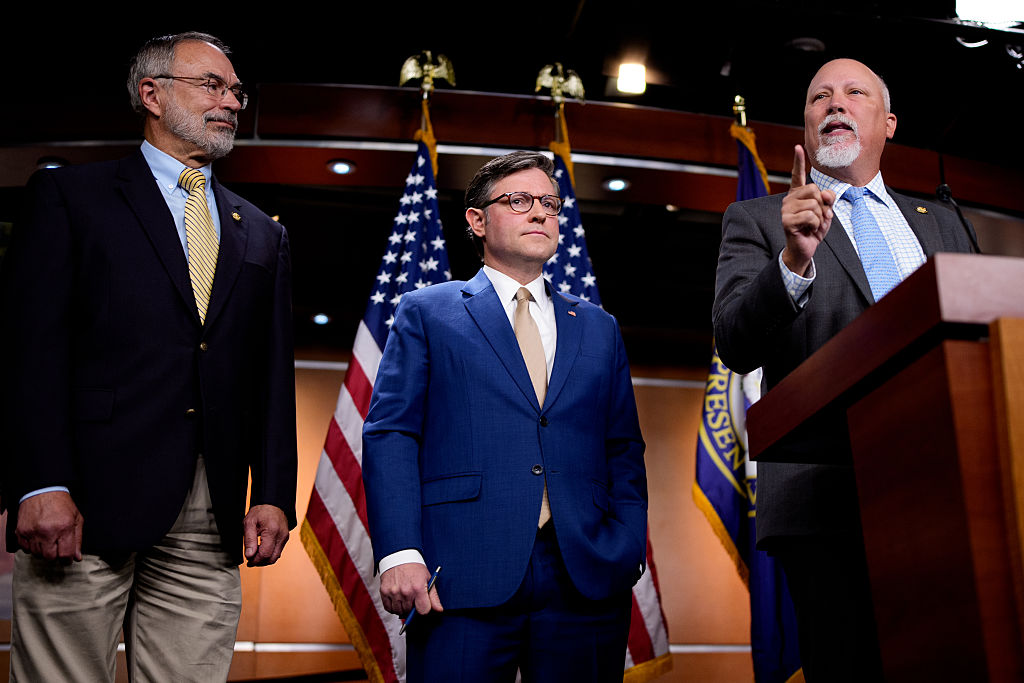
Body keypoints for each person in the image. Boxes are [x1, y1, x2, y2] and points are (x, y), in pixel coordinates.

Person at [0, 32, 297, 681]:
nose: (231, 102)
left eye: (237, 91)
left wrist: (273, 491)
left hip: (208, 505)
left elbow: (270, 373)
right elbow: (31, 349)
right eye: (212, 85)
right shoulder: (71, 198)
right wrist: (40, 480)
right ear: (152, 93)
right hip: (82, 497)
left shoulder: (262, 231)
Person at [713, 58, 978, 681]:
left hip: (951, 487)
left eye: (854, 93)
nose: (835, 103)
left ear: (887, 123)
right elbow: (735, 342)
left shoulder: (942, 220)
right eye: (819, 97)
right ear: (806, 128)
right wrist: (792, 263)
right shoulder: (758, 219)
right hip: (826, 499)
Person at [362, 151, 647, 682]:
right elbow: (392, 433)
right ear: (476, 219)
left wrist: (627, 542)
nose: (539, 213)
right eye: (519, 201)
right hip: (459, 573)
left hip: (586, 575)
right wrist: (398, 550)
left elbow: (623, 447)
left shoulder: (598, 327)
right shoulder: (427, 311)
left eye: (549, 203)